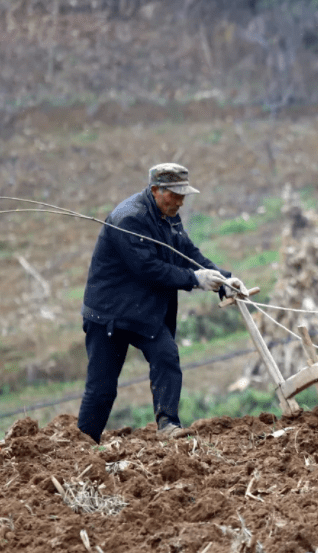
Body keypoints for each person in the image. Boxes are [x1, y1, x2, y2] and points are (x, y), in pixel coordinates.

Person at [77, 163, 246, 442]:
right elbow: (148, 269)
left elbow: (187, 253)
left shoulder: (169, 216)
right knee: (102, 389)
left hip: (142, 312)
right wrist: (195, 279)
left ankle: (168, 425)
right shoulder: (128, 219)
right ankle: (83, 444)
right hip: (109, 315)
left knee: (166, 356)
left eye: (183, 195)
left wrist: (223, 279)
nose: (180, 201)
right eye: (174, 195)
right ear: (156, 190)